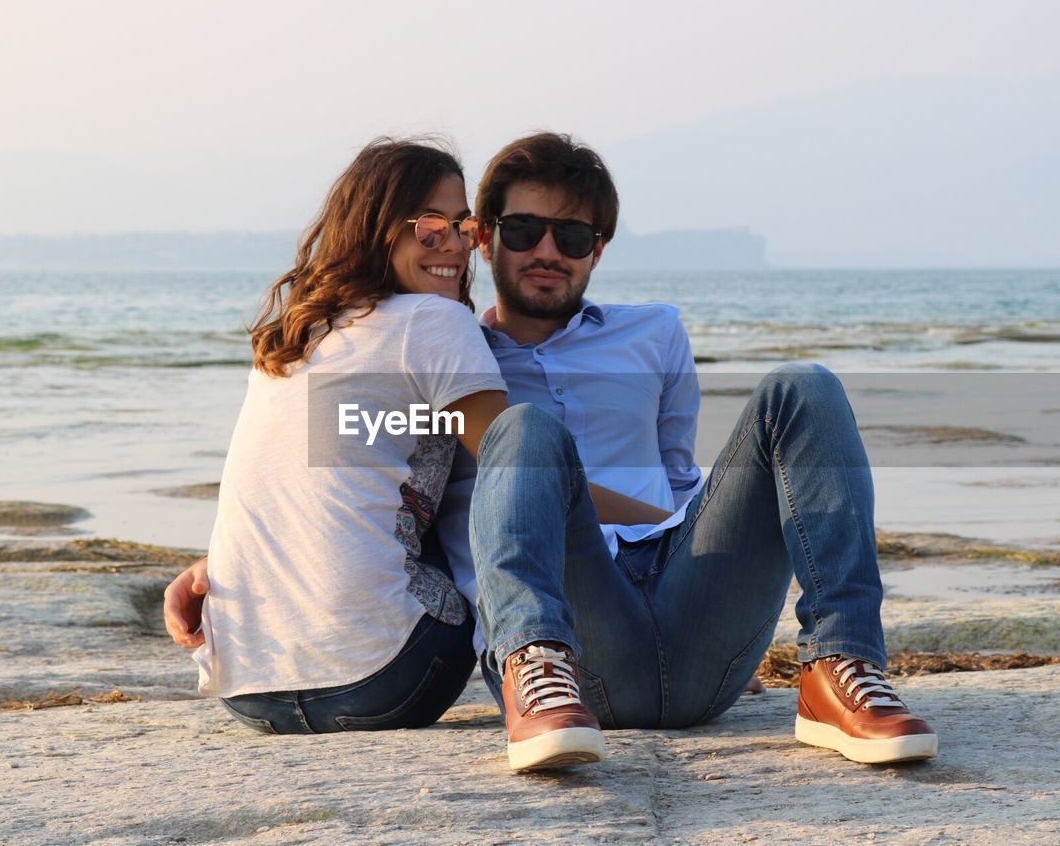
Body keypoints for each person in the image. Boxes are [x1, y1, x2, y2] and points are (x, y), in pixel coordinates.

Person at [169, 132, 937, 771]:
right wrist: (228, 566)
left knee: (804, 386)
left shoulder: (657, 331)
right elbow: (344, 466)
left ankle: (842, 665)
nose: (547, 250)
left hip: (694, 611)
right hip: (571, 637)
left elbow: (679, 479)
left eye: (572, 236)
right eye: (521, 230)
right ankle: (535, 664)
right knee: (528, 432)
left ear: (597, 249)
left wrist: (738, 510)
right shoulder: (446, 348)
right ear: (488, 236)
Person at [184, 137, 513, 735]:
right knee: (473, 502)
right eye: (430, 227)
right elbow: (518, 477)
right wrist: (663, 519)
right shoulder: (435, 322)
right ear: (375, 228)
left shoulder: (290, 337)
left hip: (249, 693)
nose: (455, 246)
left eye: (464, 227)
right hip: (388, 678)